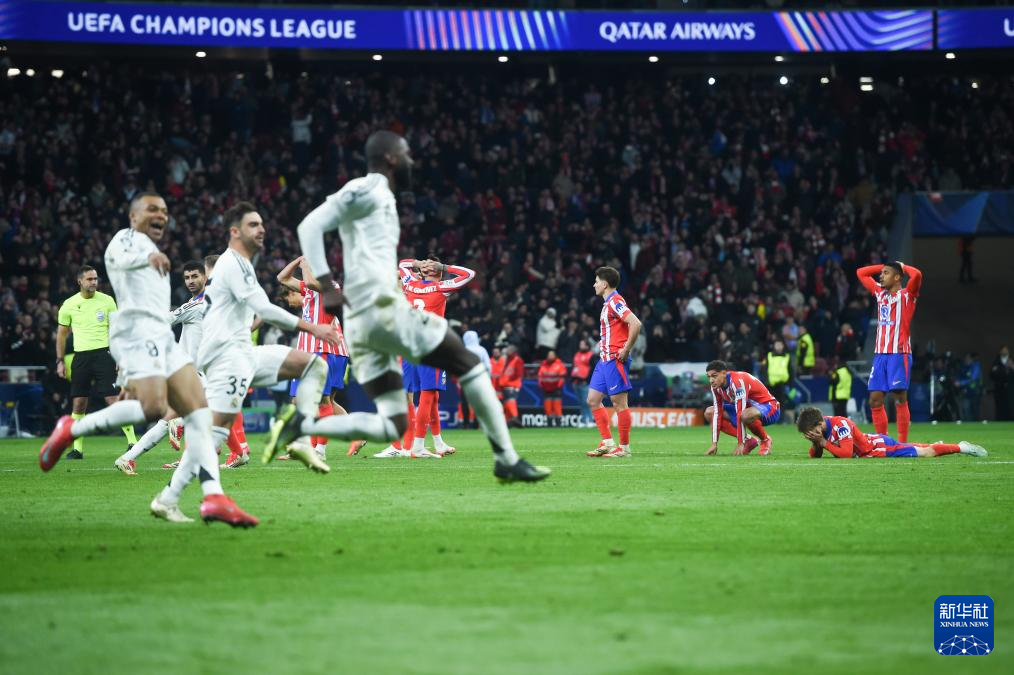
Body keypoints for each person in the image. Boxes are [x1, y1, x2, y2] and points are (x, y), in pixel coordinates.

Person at [294, 129, 549, 483]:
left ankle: (301, 428)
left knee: (393, 420)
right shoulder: (365, 189)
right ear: (391, 158)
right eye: (406, 153)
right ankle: (506, 458)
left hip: (377, 314)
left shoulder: (381, 194)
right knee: (467, 363)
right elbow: (309, 226)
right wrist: (327, 287)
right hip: (378, 310)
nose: (411, 160)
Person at [40, 192, 257, 527]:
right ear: (133, 216)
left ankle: (203, 498)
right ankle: (73, 428)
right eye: (152, 209)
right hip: (137, 335)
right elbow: (119, 258)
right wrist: (149, 257)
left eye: (165, 211)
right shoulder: (125, 241)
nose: (161, 215)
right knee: (155, 409)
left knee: (200, 413)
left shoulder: (153, 252)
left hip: (162, 340)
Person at [199, 202, 345, 477]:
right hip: (225, 354)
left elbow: (298, 288)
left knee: (315, 379)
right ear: (235, 231)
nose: (261, 229)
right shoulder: (233, 265)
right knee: (216, 420)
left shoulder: (326, 286)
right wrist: (312, 326)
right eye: (253, 224)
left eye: (261, 224)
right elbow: (268, 305)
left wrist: (306, 263)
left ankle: (307, 444)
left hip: (241, 351)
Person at [113, 256, 255, 474]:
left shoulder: (198, 304)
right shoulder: (208, 302)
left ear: (205, 277)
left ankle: (133, 454)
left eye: (195, 276)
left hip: (196, 371)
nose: (190, 281)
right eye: (187, 277)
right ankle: (225, 447)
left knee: (188, 416)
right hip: (195, 372)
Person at [277, 256, 366, 461]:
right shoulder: (308, 291)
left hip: (322, 350)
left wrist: (306, 264)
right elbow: (282, 277)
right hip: (315, 350)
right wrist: (298, 260)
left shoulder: (330, 286)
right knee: (316, 401)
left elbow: (310, 282)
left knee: (317, 400)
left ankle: (316, 449)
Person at [55, 265, 137, 460]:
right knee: (78, 404)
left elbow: (117, 330)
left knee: (113, 400)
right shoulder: (69, 305)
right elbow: (61, 335)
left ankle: (133, 442)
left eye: (95, 279)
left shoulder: (107, 301)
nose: (94, 282)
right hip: (81, 357)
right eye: (90, 279)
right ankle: (77, 449)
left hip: (104, 355)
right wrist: (59, 360)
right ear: (80, 281)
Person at [398, 255, 476, 457]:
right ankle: (418, 446)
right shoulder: (441, 287)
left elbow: (402, 264)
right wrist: (444, 266)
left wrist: (418, 264)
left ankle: (438, 443)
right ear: (440, 274)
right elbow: (469, 274)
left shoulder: (410, 284)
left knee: (431, 396)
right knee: (428, 395)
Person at [856, 260, 922, 442]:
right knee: (874, 400)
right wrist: (885, 265)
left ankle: (902, 443)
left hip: (899, 354)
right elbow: (861, 272)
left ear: (897, 277)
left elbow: (917, 274)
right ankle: (883, 442)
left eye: (886, 273)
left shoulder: (908, 295)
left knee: (899, 397)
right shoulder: (880, 293)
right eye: (881, 273)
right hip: (880, 355)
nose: (881, 276)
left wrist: (901, 265)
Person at [586, 266, 641, 458]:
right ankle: (608, 443)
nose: (594, 284)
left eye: (596, 281)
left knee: (619, 403)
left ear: (604, 284)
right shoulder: (607, 304)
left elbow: (635, 323)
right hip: (604, 360)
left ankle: (624, 448)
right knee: (593, 400)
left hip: (615, 359)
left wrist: (626, 349)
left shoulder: (615, 301)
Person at [796, 407, 986, 459]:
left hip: (879, 448)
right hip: (873, 445)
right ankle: (942, 445)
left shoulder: (841, 425)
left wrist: (823, 442)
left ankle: (962, 447)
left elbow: (845, 454)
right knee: (918, 447)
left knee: (926, 453)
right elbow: (815, 455)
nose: (810, 434)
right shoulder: (821, 430)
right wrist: (816, 442)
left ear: (819, 424)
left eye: (810, 432)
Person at [704, 359, 779, 456]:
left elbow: (740, 412)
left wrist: (740, 443)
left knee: (745, 415)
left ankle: (765, 439)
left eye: (714, 376)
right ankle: (748, 440)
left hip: (769, 408)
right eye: (709, 377)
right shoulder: (716, 387)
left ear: (724, 373)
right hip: (747, 411)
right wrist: (714, 444)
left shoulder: (738, 382)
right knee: (710, 412)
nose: (711, 380)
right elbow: (718, 413)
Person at [460, 330, 491, 430]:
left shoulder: (463, 350)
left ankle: (465, 423)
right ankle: (477, 424)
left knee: (465, 402)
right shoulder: (482, 350)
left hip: (465, 379)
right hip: (479, 379)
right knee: (479, 402)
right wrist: (488, 378)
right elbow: (488, 366)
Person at [538, 350, 567, 427]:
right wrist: (542, 385)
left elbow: (562, 377)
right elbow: (540, 376)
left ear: (555, 356)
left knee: (557, 407)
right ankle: (549, 425)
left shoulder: (559, 365)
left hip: (556, 389)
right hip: (546, 389)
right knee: (548, 407)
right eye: (549, 355)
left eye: (552, 355)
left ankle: (558, 425)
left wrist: (558, 386)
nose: (550, 356)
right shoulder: (543, 365)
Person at [762, 339, 792, 414]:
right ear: (774, 346)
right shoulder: (769, 356)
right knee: (770, 403)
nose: (778, 347)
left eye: (780, 345)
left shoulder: (787, 356)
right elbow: (764, 370)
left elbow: (791, 371)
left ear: (783, 346)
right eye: (777, 345)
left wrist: (790, 383)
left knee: (782, 402)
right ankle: (771, 417)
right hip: (770, 384)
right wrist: (766, 381)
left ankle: (781, 418)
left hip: (782, 384)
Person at [500, 345, 525, 428]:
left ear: (513, 351)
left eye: (508, 350)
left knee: (510, 400)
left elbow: (518, 373)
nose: (506, 351)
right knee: (506, 403)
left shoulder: (517, 360)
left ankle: (515, 417)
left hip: (512, 385)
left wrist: (508, 380)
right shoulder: (508, 360)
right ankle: (508, 422)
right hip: (506, 385)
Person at [571, 340, 594, 427]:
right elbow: (574, 367)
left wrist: (587, 380)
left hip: (585, 382)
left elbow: (593, 369)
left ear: (587, 346)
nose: (581, 346)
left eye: (583, 344)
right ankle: (584, 420)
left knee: (587, 402)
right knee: (581, 402)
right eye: (580, 344)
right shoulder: (577, 354)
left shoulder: (591, 355)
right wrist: (572, 378)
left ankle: (590, 420)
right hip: (576, 382)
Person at [955, 353, 982, 422]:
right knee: (966, 410)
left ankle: (976, 425)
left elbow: (973, 378)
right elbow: (959, 377)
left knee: (975, 410)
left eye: (968, 359)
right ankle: (967, 424)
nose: (966, 360)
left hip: (975, 392)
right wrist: (958, 382)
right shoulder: (963, 367)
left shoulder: (975, 366)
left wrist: (961, 383)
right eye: (965, 359)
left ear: (971, 359)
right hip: (966, 392)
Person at [990, 345, 1012, 420]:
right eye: (1003, 350)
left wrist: (1012, 366)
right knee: (999, 405)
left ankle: (1010, 419)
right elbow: (992, 375)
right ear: (1000, 352)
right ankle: (1000, 419)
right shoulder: (996, 362)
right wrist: (997, 370)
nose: (1004, 351)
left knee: (1010, 404)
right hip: (999, 388)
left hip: (1010, 388)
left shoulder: (1011, 360)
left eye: (1006, 350)